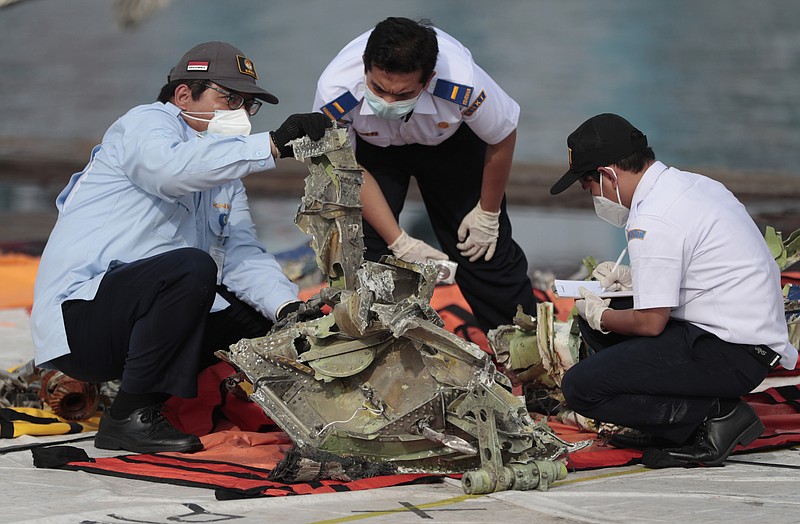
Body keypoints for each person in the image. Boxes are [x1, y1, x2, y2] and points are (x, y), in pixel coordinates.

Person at [30, 41, 332, 454]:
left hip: (135, 316)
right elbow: (170, 172)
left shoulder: (224, 173)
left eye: (248, 104)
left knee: (260, 324)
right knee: (192, 269)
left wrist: (288, 309)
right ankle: (129, 416)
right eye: (230, 98)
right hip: (81, 319)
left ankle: (299, 413)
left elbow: (242, 254)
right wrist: (274, 145)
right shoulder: (144, 125)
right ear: (183, 95)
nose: (240, 113)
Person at [549, 113, 798, 467]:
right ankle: (670, 424)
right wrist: (629, 285)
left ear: (607, 174)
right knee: (598, 330)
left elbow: (651, 323)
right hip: (744, 337)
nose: (591, 195)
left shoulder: (651, 217)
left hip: (732, 351)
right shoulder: (691, 185)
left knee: (582, 388)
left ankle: (714, 417)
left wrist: (601, 314)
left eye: (588, 186)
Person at [313, 17, 536, 333]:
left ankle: (522, 348)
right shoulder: (335, 91)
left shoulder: (463, 83)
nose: (388, 101)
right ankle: (375, 346)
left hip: (448, 142)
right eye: (379, 88)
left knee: (482, 249)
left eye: (403, 93)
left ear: (429, 79)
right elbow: (346, 168)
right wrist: (400, 240)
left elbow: (501, 135)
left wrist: (488, 213)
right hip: (371, 148)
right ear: (365, 66)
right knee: (365, 246)